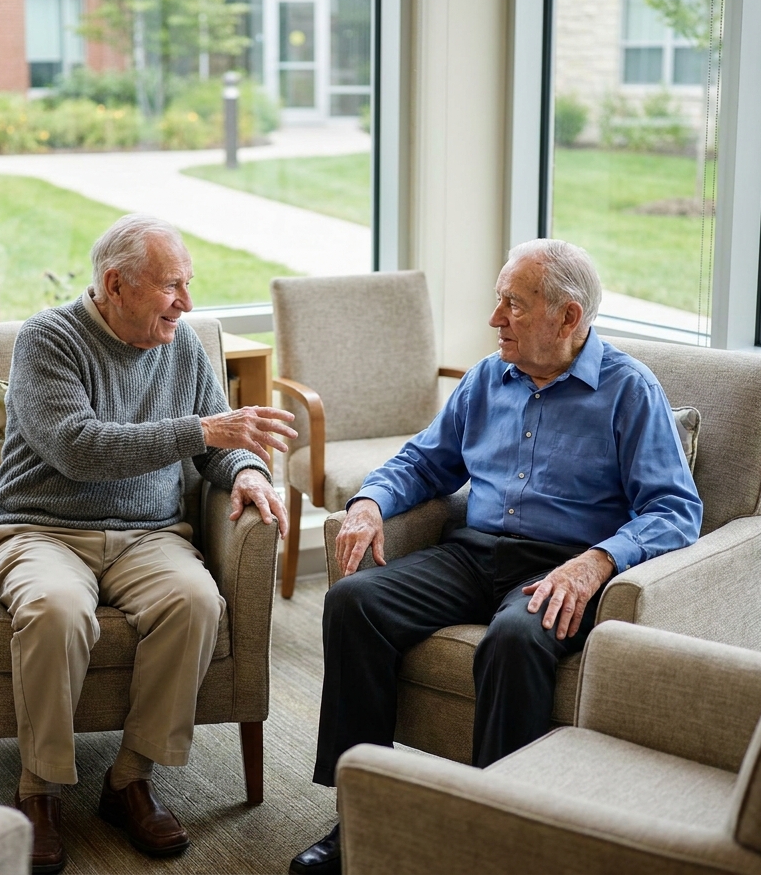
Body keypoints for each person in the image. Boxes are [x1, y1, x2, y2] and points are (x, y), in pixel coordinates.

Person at [289, 238, 703, 875]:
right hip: (473, 554)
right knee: (354, 601)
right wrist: (371, 500)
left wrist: (596, 563)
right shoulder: (488, 378)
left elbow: (676, 509)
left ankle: (495, 832)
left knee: (513, 639)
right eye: (498, 300)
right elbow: (425, 461)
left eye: (513, 304)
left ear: (568, 317)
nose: (494, 319)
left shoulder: (629, 392)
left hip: (561, 564)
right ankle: (362, 811)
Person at [0, 213, 296, 874]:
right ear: (114, 283)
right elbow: (79, 447)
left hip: (148, 535)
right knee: (55, 611)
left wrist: (248, 473)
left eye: (187, 284)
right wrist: (207, 434)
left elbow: (220, 447)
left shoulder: (181, 344)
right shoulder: (50, 338)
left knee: (196, 603)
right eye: (171, 285)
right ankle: (37, 791)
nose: (185, 302)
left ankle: (129, 778)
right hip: (42, 528)